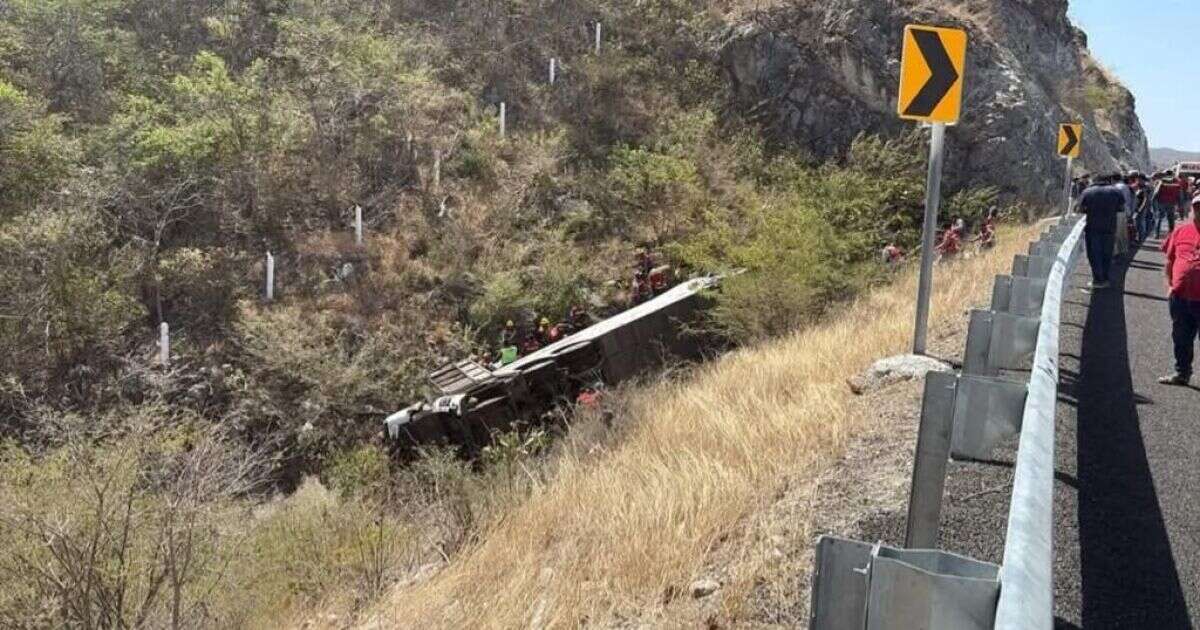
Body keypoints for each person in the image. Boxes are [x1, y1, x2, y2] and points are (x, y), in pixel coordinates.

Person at [1159, 195, 1200, 385]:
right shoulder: (1181, 229)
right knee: (1181, 338)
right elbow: (1170, 260)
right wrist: (1170, 285)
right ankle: (1182, 373)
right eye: (1198, 207)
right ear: (1192, 208)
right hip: (1180, 296)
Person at [1077, 174, 1125, 290]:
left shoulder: (1088, 192)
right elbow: (1121, 208)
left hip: (1093, 228)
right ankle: (1105, 278)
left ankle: (1098, 279)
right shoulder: (1116, 192)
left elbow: (1080, 209)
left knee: (1094, 254)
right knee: (1107, 253)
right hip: (1110, 228)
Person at [1154, 171, 1183, 238]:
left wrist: (1154, 200)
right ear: (1172, 174)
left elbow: (1156, 192)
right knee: (1171, 218)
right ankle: (1171, 234)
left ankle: (1156, 234)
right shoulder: (1176, 182)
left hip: (1161, 202)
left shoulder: (1161, 181)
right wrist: (1180, 204)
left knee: (1159, 218)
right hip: (1171, 203)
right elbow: (1179, 194)